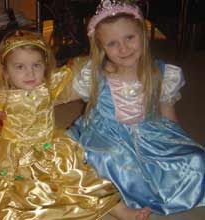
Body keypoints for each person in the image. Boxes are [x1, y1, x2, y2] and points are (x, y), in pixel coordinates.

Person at [0, 29, 150, 220]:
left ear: (45, 66)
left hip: (50, 145)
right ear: (5, 71)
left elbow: (76, 73)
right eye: (20, 67)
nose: (30, 73)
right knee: (13, 186)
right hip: (14, 151)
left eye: (36, 65)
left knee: (79, 175)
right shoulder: (0, 95)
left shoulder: (49, 87)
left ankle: (120, 211)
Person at [67, 0, 205, 216]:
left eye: (129, 38)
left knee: (196, 159)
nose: (123, 48)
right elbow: (58, 94)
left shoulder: (160, 73)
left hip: (150, 134)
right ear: (101, 48)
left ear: (143, 33)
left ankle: (136, 192)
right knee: (103, 161)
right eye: (112, 44)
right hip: (106, 137)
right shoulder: (93, 75)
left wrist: (183, 143)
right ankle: (120, 209)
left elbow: (169, 117)